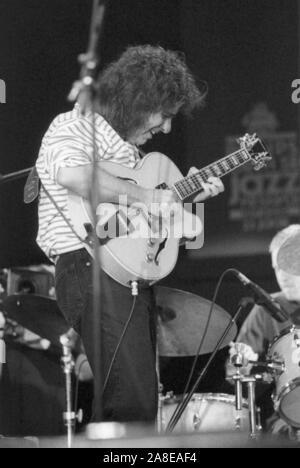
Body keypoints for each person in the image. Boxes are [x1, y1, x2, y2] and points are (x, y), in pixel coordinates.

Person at [35, 45, 224, 424]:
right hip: (89, 268)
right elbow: (75, 176)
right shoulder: (75, 127)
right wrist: (149, 196)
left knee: (136, 402)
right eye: (164, 115)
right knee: (130, 401)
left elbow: (155, 230)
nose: (166, 128)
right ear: (138, 101)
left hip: (125, 277)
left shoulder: (130, 158)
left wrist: (186, 201)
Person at [227, 224, 300, 435]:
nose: (283, 275)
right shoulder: (265, 311)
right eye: (278, 267)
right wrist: (239, 365)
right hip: (287, 422)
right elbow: (234, 375)